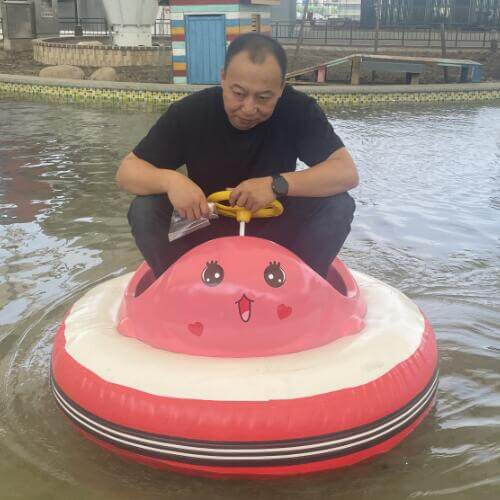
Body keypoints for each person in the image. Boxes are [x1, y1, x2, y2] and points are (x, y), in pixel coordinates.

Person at [116, 33, 358, 280]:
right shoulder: (190, 112)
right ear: (223, 78)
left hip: (275, 223)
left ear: (281, 89)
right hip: (204, 221)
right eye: (239, 94)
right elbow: (127, 171)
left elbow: (346, 172)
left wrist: (277, 185)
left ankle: (298, 286)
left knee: (338, 205)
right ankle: (181, 287)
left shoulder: (299, 110)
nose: (249, 108)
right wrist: (171, 181)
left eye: (264, 98)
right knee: (145, 209)